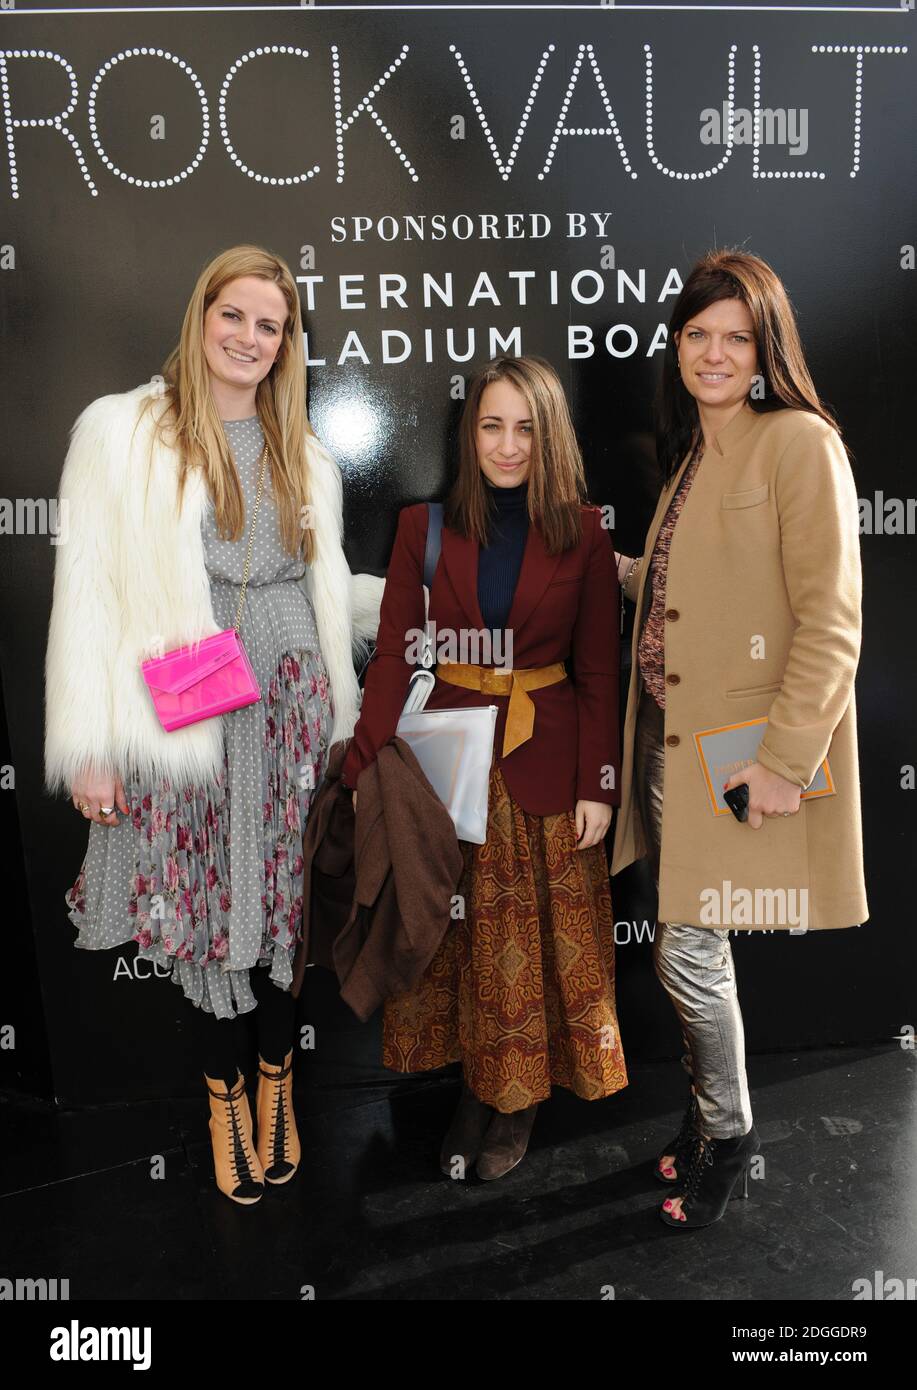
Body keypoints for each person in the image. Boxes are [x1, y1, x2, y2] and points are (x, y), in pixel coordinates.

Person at [44, 244, 383, 1206]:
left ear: (286, 345)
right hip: (186, 728)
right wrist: (92, 747)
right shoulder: (123, 434)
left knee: (281, 917)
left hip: (290, 719)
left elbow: (318, 590)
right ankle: (223, 1100)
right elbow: (90, 596)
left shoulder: (303, 454)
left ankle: (276, 1082)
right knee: (202, 923)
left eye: (269, 325)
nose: (248, 337)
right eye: (232, 316)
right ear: (200, 319)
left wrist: (404, 606)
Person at [612, 249, 867, 1228]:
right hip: (664, 739)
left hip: (731, 749)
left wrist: (780, 760)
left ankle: (729, 1138)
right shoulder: (691, 453)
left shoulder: (796, 441)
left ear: (764, 351)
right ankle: (705, 1119)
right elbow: (691, 589)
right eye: (696, 335)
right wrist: (619, 567)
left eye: (734, 338)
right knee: (691, 943)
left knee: (686, 947)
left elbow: (829, 619)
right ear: (675, 344)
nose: (712, 354)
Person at [341, 355, 628, 1181]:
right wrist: (363, 761)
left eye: (526, 429)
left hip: (546, 765)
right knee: (460, 942)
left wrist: (596, 786)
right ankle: (476, 1085)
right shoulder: (422, 529)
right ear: (470, 434)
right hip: (449, 770)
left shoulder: (583, 530)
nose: (508, 446)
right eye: (492, 426)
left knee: (528, 949)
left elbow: (599, 673)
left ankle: (516, 1101)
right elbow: (394, 654)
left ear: (550, 437)